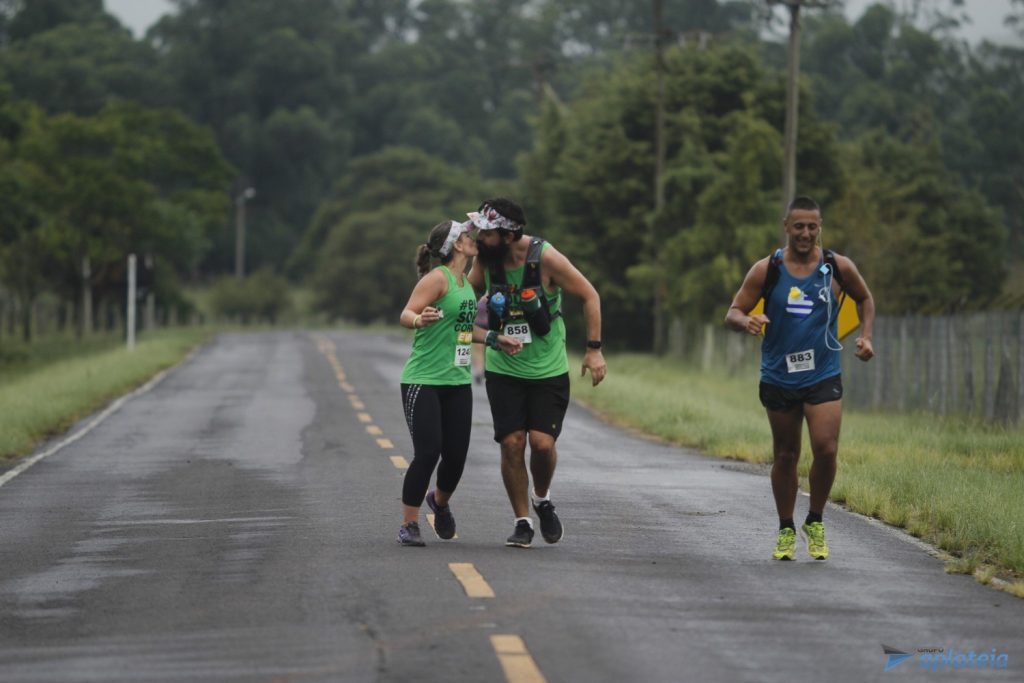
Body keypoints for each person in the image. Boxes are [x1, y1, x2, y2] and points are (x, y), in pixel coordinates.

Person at [725, 196, 875, 561]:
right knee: (786, 454)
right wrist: (747, 321)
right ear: (786, 226)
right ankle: (786, 528)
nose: (805, 233)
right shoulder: (768, 269)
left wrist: (866, 335)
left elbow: (865, 299)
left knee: (826, 448)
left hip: (823, 371)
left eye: (812, 226)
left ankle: (816, 519)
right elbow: (733, 311)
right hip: (779, 375)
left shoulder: (837, 266)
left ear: (819, 226)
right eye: (799, 227)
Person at [467, 198, 607, 548]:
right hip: (504, 368)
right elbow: (465, 298)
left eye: (486, 232)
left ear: (509, 234)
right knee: (512, 443)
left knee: (542, 445)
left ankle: (542, 499)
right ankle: (522, 521)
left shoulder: (545, 257)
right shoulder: (484, 259)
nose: (479, 237)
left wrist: (594, 349)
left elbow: (590, 295)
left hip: (548, 368)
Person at [397, 219, 522, 546]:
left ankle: (439, 502)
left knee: (456, 455)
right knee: (428, 452)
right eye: (469, 236)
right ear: (457, 245)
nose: (474, 239)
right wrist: (419, 318)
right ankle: (409, 524)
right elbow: (406, 313)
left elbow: (464, 330)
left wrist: (495, 338)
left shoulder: (466, 285)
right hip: (423, 380)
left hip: (457, 381)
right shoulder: (437, 279)